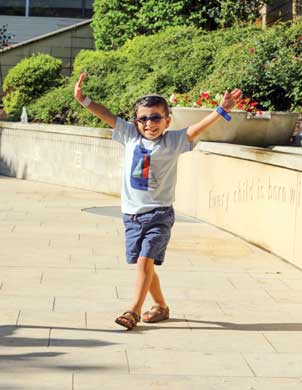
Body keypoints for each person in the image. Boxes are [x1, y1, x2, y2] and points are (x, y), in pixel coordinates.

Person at [74, 72, 242, 330]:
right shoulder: (130, 135)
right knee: (145, 263)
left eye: (155, 118)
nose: (149, 123)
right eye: (143, 118)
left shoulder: (173, 141)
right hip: (131, 216)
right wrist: (83, 99)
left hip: (159, 215)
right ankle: (161, 307)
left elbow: (198, 128)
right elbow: (106, 115)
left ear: (167, 121)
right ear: (136, 121)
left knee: (144, 261)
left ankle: (133, 311)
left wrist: (221, 109)